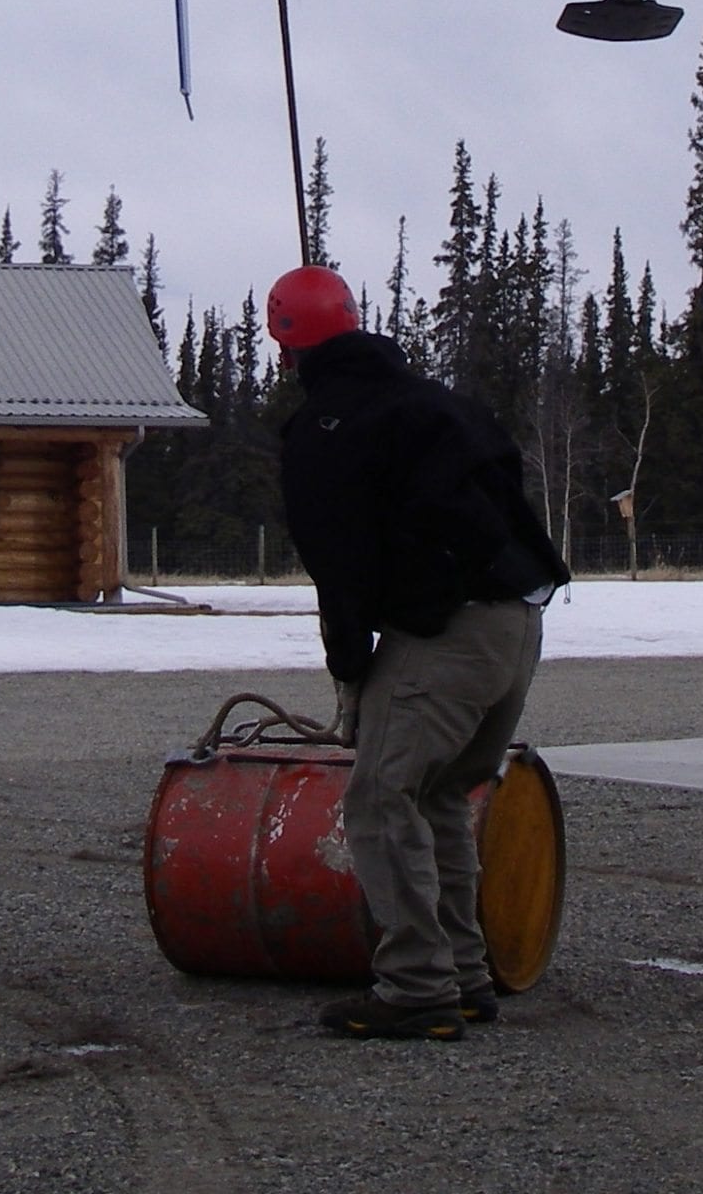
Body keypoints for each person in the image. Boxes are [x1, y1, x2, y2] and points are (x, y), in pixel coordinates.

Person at [268, 264, 569, 1041]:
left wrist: (349, 667)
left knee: (379, 798)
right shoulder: (437, 404)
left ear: (286, 346)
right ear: (354, 322)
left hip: (448, 633)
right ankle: (464, 977)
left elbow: (339, 564)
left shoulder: (327, 429)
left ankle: (415, 988)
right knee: (438, 794)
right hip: (518, 622)